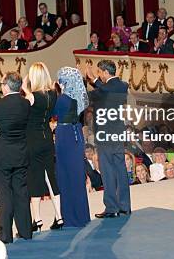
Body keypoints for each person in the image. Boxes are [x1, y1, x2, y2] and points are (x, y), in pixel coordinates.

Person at [0, 71, 32, 244]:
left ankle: (5, 234)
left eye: (2, 84)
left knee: (5, 195)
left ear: (7, 86)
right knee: (21, 192)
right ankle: (25, 231)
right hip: (20, 154)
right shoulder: (25, 104)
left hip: (1, 157)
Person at [22, 62, 63, 232]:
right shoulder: (53, 94)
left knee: (34, 178)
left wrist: (25, 86)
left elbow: (24, 90)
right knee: (50, 177)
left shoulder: (31, 97)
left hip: (32, 140)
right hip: (47, 139)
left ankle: (37, 219)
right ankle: (59, 216)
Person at [87, 60, 131, 218]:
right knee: (120, 169)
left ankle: (112, 208)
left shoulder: (111, 87)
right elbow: (101, 92)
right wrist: (95, 82)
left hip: (106, 136)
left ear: (105, 72)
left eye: (100, 72)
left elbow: (104, 90)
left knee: (107, 171)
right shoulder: (118, 86)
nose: (98, 75)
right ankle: (124, 206)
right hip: (117, 134)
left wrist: (94, 80)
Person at [53, 67, 91, 227]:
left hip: (65, 136)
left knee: (65, 177)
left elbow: (51, 112)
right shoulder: (79, 97)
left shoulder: (63, 99)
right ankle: (81, 216)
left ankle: (70, 217)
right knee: (76, 176)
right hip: (76, 134)